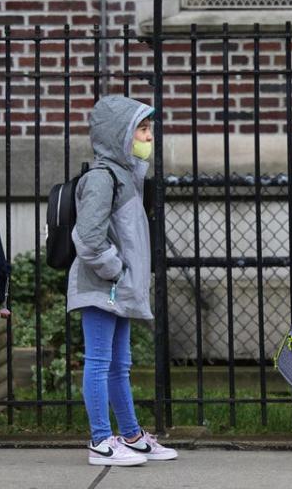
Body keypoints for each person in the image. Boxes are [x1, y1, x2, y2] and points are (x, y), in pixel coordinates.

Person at [67, 95, 178, 467]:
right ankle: (100, 440)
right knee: (99, 362)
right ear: (120, 135)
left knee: (119, 364)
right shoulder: (102, 178)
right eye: (142, 130)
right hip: (102, 287)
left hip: (117, 289)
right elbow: (88, 238)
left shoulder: (127, 177)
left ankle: (131, 435)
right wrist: (116, 270)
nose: (149, 137)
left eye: (149, 129)